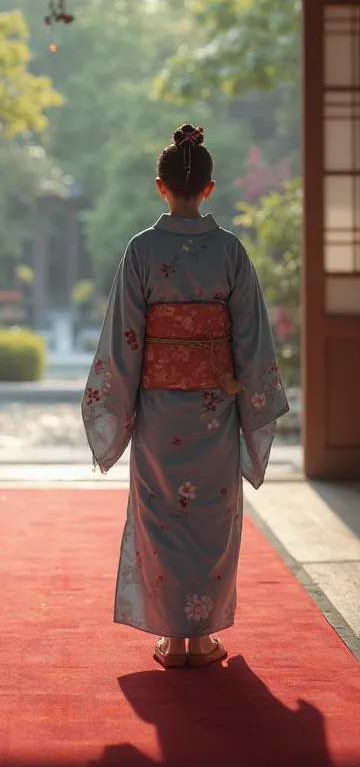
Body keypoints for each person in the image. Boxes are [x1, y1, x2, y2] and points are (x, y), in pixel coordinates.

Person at [81, 123, 289, 669]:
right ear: (211, 188)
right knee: (211, 521)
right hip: (214, 408)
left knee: (163, 519)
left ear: (160, 186)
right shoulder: (230, 251)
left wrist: (117, 411)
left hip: (156, 413)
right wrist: (253, 406)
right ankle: (202, 636)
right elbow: (250, 337)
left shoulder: (142, 251)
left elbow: (125, 338)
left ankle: (173, 640)